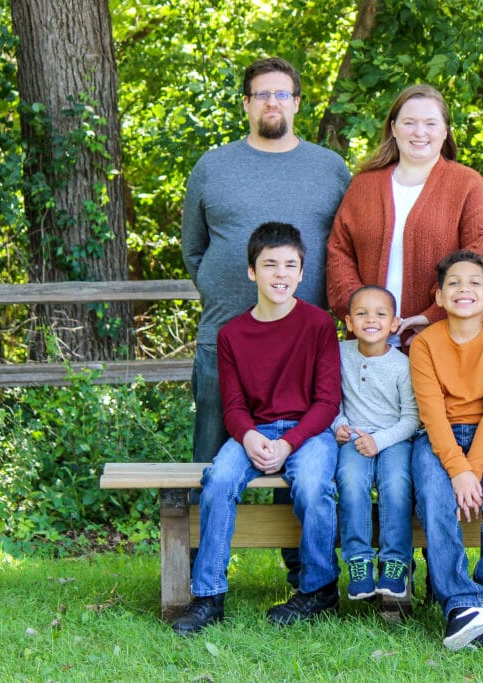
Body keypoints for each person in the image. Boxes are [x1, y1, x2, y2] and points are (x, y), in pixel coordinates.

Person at [181, 56, 350, 582]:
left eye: (282, 94)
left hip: (305, 346)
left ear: (297, 103)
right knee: (211, 461)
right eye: (261, 94)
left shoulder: (330, 168)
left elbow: (344, 246)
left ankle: (304, 573)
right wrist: (225, 293)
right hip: (225, 342)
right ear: (247, 103)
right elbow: (193, 249)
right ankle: (194, 570)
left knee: (303, 457)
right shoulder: (214, 165)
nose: (272, 102)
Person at [171, 223, 342, 635]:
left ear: (302, 273)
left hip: (308, 432)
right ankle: (208, 596)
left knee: (316, 485)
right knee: (218, 480)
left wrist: (288, 443)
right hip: (254, 430)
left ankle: (317, 589)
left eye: (289, 265)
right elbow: (232, 407)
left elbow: (327, 403)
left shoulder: (319, 325)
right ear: (252, 272)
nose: (280, 274)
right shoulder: (231, 334)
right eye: (270, 265)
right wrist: (250, 437)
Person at [409, 250, 483, 651]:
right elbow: (432, 415)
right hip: (437, 439)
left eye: (475, 282)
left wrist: (471, 470)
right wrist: (457, 470)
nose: (464, 289)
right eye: (453, 283)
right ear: (438, 297)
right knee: (435, 500)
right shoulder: (424, 344)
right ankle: (461, 602)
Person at [327, 84, 483, 345]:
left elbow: (480, 257)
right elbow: (340, 253)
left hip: (446, 340)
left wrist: (433, 316)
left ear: (445, 131)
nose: (419, 132)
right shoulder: (364, 185)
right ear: (394, 128)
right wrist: (361, 311)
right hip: (370, 346)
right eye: (409, 123)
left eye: (430, 123)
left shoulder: (467, 185)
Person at [332, 286, 419, 602]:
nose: (371, 320)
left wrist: (379, 441)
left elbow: (411, 419)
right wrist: (339, 426)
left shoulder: (402, 365)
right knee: (351, 481)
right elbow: (330, 400)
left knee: (396, 483)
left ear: (395, 323)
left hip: (394, 439)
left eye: (381, 314)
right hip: (354, 437)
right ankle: (358, 561)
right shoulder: (339, 355)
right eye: (362, 313)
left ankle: (396, 562)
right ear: (349, 322)